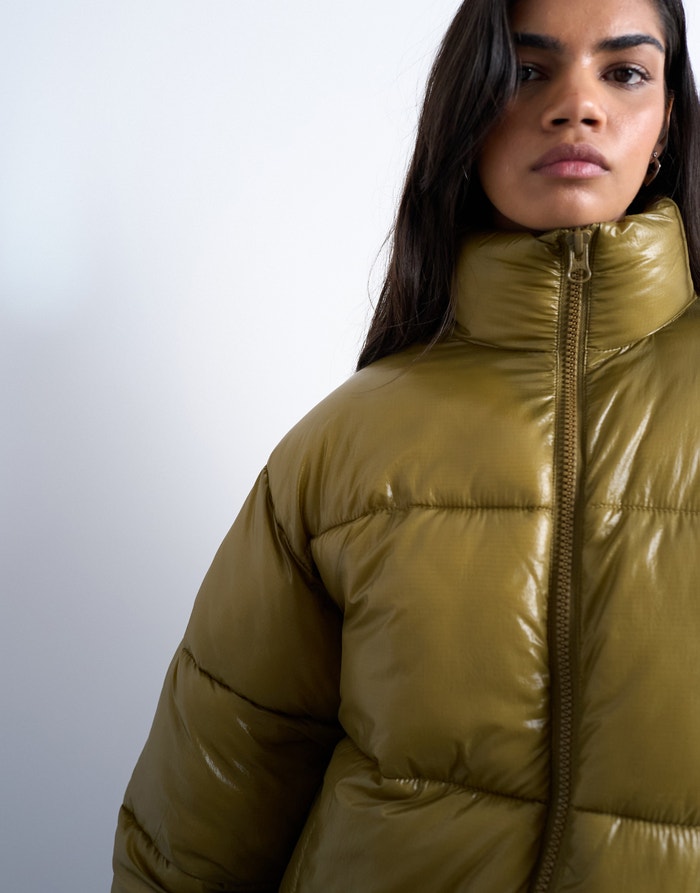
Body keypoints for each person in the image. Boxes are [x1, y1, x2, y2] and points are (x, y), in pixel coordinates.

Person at [112, 0, 700, 889]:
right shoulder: (345, 440)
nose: (578, 105)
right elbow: (213, 793)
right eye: (527, 70)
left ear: (666, 125)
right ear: (468, 112)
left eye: (624, 73)